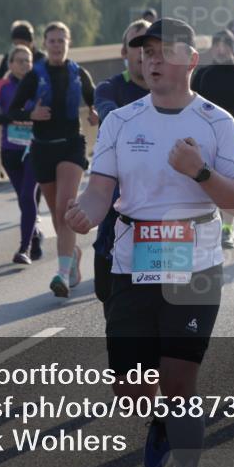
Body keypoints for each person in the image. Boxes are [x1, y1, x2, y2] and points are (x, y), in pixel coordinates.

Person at [65, 18, 234, 467]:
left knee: (178, 380)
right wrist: (83, 215)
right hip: (133, 260)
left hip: (195, 261)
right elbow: (100, 192)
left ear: (191, 60)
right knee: (131, 390)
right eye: (145, 52)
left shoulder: (217, 122)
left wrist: (201, 172)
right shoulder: (121, 122)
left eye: (163, 51)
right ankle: (161, 421)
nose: (152, 60)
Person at [9, 21, 98, 298]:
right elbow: (13, 109)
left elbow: (96, 100)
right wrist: (31, 115)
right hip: (42, 148)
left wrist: (97, 114)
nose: (57, 45)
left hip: (71, 145)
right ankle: (73, 255)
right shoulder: (34, 76)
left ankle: (60, 273)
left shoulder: (78, 73)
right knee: (58, 216)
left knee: (65, 207)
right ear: (44, 45)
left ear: (68, 43)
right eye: (52, 41)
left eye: (62, 40)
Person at [91, 19, 150, 306]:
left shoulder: (171, 92)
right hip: (116, 203)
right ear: (123, 52)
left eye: (148, 45)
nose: (141, 52)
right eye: (135, 44)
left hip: (159, 210)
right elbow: (109, 115)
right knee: (106, 293)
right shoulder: (109, 88)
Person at [191, 29, 234, 249]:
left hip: (233, 139)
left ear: (232, 47)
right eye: (217, 44)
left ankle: (226, 231)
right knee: (205, 184)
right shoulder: (201, 75)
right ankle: (204, 227)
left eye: (225, 44)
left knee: (232, 185)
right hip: (204, 139)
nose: (221, 49)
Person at [0, 45, 43, 264]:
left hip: (34, 149)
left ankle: (23, 248)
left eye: (28, 61)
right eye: (19, 61)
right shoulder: (3, 85)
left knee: (28, 195)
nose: (25, 65)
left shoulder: (39, 85)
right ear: (10, 64)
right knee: (24, 199)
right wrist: (13, 117)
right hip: (10, 150)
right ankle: (34, 232)